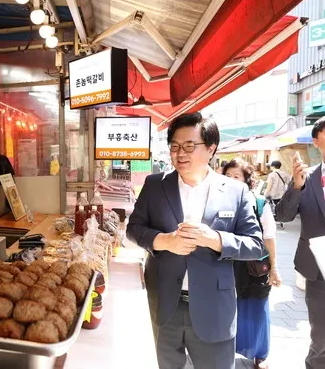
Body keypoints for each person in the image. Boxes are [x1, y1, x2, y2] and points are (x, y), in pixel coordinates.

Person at [127, 112, 264, 369]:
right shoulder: (156, 185)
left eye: (190, 146)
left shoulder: (235, 191)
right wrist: (163, 241)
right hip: (166, 302)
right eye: (175, 146)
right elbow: (133, 229)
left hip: (214, 309)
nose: (180, 153)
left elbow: (256, 246)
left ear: (211, 149)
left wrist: (215, 239)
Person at [276, 116, 325, 369]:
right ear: (316, 143)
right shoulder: (306, 179)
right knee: (321, 335)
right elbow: (282, 216)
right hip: (318, 271)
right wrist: (296, 186)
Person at [223, 158, 281, 369]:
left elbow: (270, 237)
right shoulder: (220, 201)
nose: (231, 180)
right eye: (227, 176)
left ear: (248, 181)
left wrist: (275, 269)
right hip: (227, 264)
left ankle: (260, 354)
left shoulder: (259, 203)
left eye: (236, 176)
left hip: (254, 266)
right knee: (227, 308)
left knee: (256, 308)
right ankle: (225, 349)